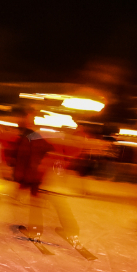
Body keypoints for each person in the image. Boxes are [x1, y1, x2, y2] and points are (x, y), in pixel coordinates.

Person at [12, 106, 83, 248]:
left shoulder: (33, 136)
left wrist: (21, 178)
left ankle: (36, 231)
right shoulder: (57, 135)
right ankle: (71, 230)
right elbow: (72, 152)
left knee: (37, 204)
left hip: (39, 175)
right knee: (58, 202)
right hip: (53, 175)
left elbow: (24, 158)